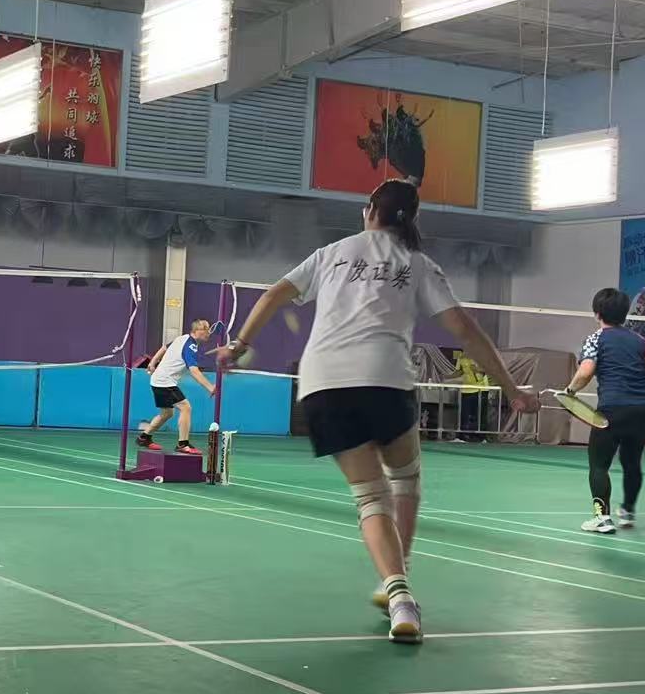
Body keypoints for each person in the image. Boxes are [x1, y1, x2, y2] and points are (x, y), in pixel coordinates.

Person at [221, 180, 537, 643]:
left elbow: (272, 295)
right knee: (404, 481)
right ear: (412, 218)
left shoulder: (331, 253)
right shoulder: (418, 264)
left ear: (370, 210)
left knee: (371, 497)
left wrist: (238, 344)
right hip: (385, 379)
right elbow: (466, 330)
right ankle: (400, 586)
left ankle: (396, 589)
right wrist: (511, 389)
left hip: (323, 385)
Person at [565, 289, 645, 534]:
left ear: (597, 314)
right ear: (625, 313)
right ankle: (627, 511)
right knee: (632, 462)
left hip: (611, 411)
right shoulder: (642, 341)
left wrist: (569, 391)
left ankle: (602, 518)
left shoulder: (595, 339)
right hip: (642, 412)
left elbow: (585, 372)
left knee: (599, 465)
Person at [137, 320, 214, 454]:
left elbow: (164, 348)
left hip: (159, 380)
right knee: (185, 407)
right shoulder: (190, 346)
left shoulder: (182, 338)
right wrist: (210, 387)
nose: (209, 332)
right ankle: (182, 444)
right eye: (206, 329)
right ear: (197, 331)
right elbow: (194, 371)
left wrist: (152, 362)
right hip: (165, 381)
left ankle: (144, 437)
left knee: (167, 413)